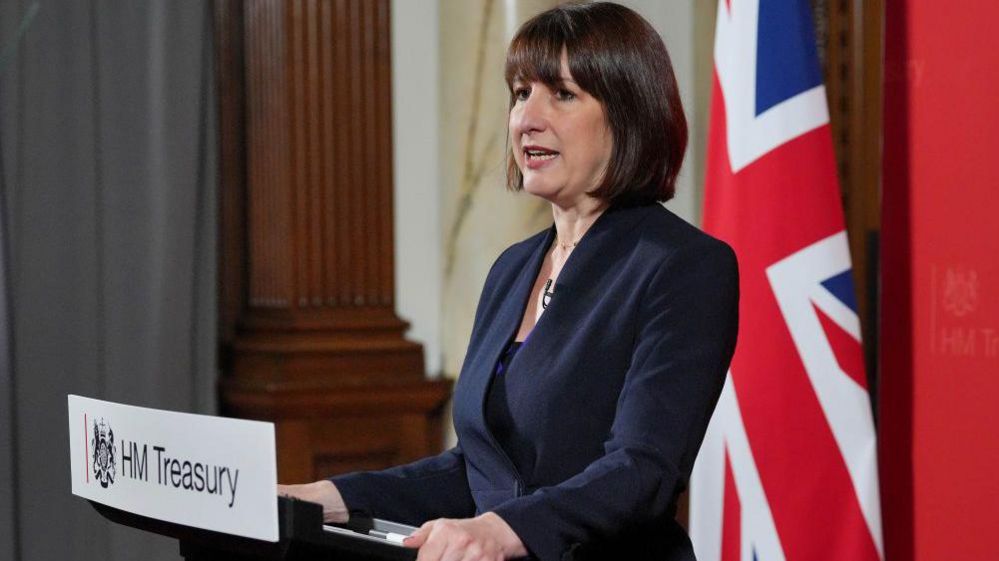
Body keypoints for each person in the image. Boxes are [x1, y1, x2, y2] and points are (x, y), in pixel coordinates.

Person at [279, 3, 739, 560]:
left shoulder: (682, 266)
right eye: (521, 93)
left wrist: (502, 529)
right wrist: (325, 497)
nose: (526, 119)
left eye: (562, 95)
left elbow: (643, 468)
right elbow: (475, 470)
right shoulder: (512, 270)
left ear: (628, 113)